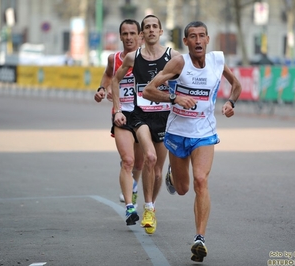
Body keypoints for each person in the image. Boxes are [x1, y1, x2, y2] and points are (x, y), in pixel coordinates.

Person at [143, 21, 242, 262]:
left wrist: (230, 103)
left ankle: (200, 239)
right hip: (178, 132)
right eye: (192, 37)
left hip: (205, 133)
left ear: (208, 39)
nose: (197, 41)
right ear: (185, 42)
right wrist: (175, 97)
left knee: (200, 181)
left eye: (201, 36)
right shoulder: (179, 63)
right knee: (183, 188)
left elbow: (236, 86)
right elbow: (148, 90)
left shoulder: (218, 61)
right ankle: (172, 176)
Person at [112, 14, 180, 234]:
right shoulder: (133, 57)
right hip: (140, 116)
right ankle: (147, 207)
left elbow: (188, 78)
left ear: (161, 32)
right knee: (149, 157)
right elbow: (115, 80)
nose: (151, 30)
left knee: (157, 171)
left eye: (155, 27)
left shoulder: (173, 57)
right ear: (143, 34)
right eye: (147, 27)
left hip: (164, 117)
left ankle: (152, 204)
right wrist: (119, 109)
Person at [93, 19, 143, 226]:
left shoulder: (149, 58)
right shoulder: (114, 59)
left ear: (140, 36)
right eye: (125, 33)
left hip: (145, 115)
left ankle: (133, 185)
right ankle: (130, 209)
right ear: (120, 36)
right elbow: (107, 75)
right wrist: (102, 88)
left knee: (138, 164)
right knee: (128, 160)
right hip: (121, 114)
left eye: (133, 33)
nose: (129, 37)